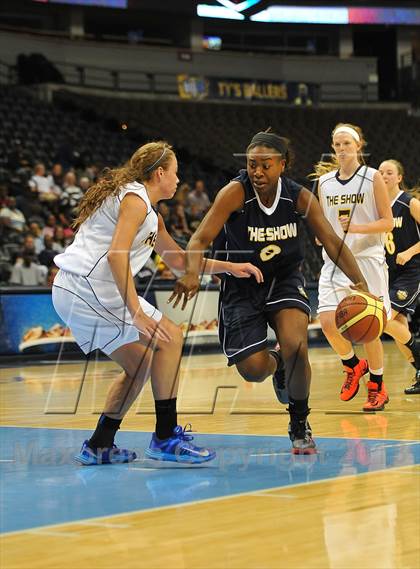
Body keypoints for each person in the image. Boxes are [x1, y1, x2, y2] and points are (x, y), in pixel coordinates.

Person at [52, 141, 262, 466]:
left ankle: (99, 444)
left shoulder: (150, 213)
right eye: (175, 173)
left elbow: (179, 261)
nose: (179, 180)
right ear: (160, 172)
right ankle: (166, 437)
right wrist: (135, 311)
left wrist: (230, 268)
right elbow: (115, 255)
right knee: (170, 337)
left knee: (143, 365)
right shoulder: (135, 200)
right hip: (88, 287)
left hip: (83, 290)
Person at [169, 130, 369, 454]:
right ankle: (276, 364)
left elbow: (332, 241)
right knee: (254, 370)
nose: (257, 172)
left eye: (265, 165)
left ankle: (299, 422)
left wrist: (361, 283)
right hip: (242, 285)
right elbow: (199, 238)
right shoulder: (234, 193)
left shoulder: (299, 197)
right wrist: (192, 272)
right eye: (252, 165)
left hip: (285, 278)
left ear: (283, 164)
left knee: (297, 345)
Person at [313, 123, 393, 412]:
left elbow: (387, 221)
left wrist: (356, 228)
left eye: (347, 143)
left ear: (359, 146)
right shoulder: (324, 183)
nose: (342, 148)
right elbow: (323, 222)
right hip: (334, 262)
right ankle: (352, 365)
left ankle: (378, 386)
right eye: (337, 144)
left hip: (367, 260)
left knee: (370, 328)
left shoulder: (372, 178)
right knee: (326, 321)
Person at [378, 159, 420, 394]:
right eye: (381, 172)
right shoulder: (378, 207)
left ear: (399, 177)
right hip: (388, 274)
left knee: (383, 319)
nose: (384, 176)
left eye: (389, 172)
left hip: (411, 272)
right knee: (397, 329)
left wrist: (411, 250)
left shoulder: (409, 203)